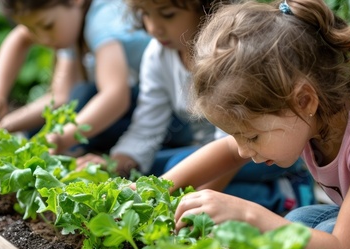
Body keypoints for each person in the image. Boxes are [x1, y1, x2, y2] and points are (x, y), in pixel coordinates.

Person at [164, 0, 350, 249]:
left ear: (304, 101)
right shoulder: (310, 118)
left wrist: (247, 213)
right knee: (299, 222)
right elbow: (227, 152)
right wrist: (158, 188)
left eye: (251, 136)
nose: (243, 149)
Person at [76, 0, 314, 214]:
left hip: (266, 148)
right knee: (157, 168)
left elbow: (230, 147)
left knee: (175, 168)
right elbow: (146, 129)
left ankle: (281, 196)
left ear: (204, 7)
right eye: (145, 15)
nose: (153, 28)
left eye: (167, 14)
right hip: (230, 147)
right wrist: (114, 165)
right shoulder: (158, 55)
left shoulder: (230, 57)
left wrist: (188, 205)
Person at [0, 0, 151, 154]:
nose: (43, 39)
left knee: (83, 95)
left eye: (47, 26)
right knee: (44, 125)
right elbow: (60, 98)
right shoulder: (70, 25)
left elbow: (115, 97)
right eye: (33, 30)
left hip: (158, 114)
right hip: (137, 110)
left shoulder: (102, 21)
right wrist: (0, 107)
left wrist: (63, 139)